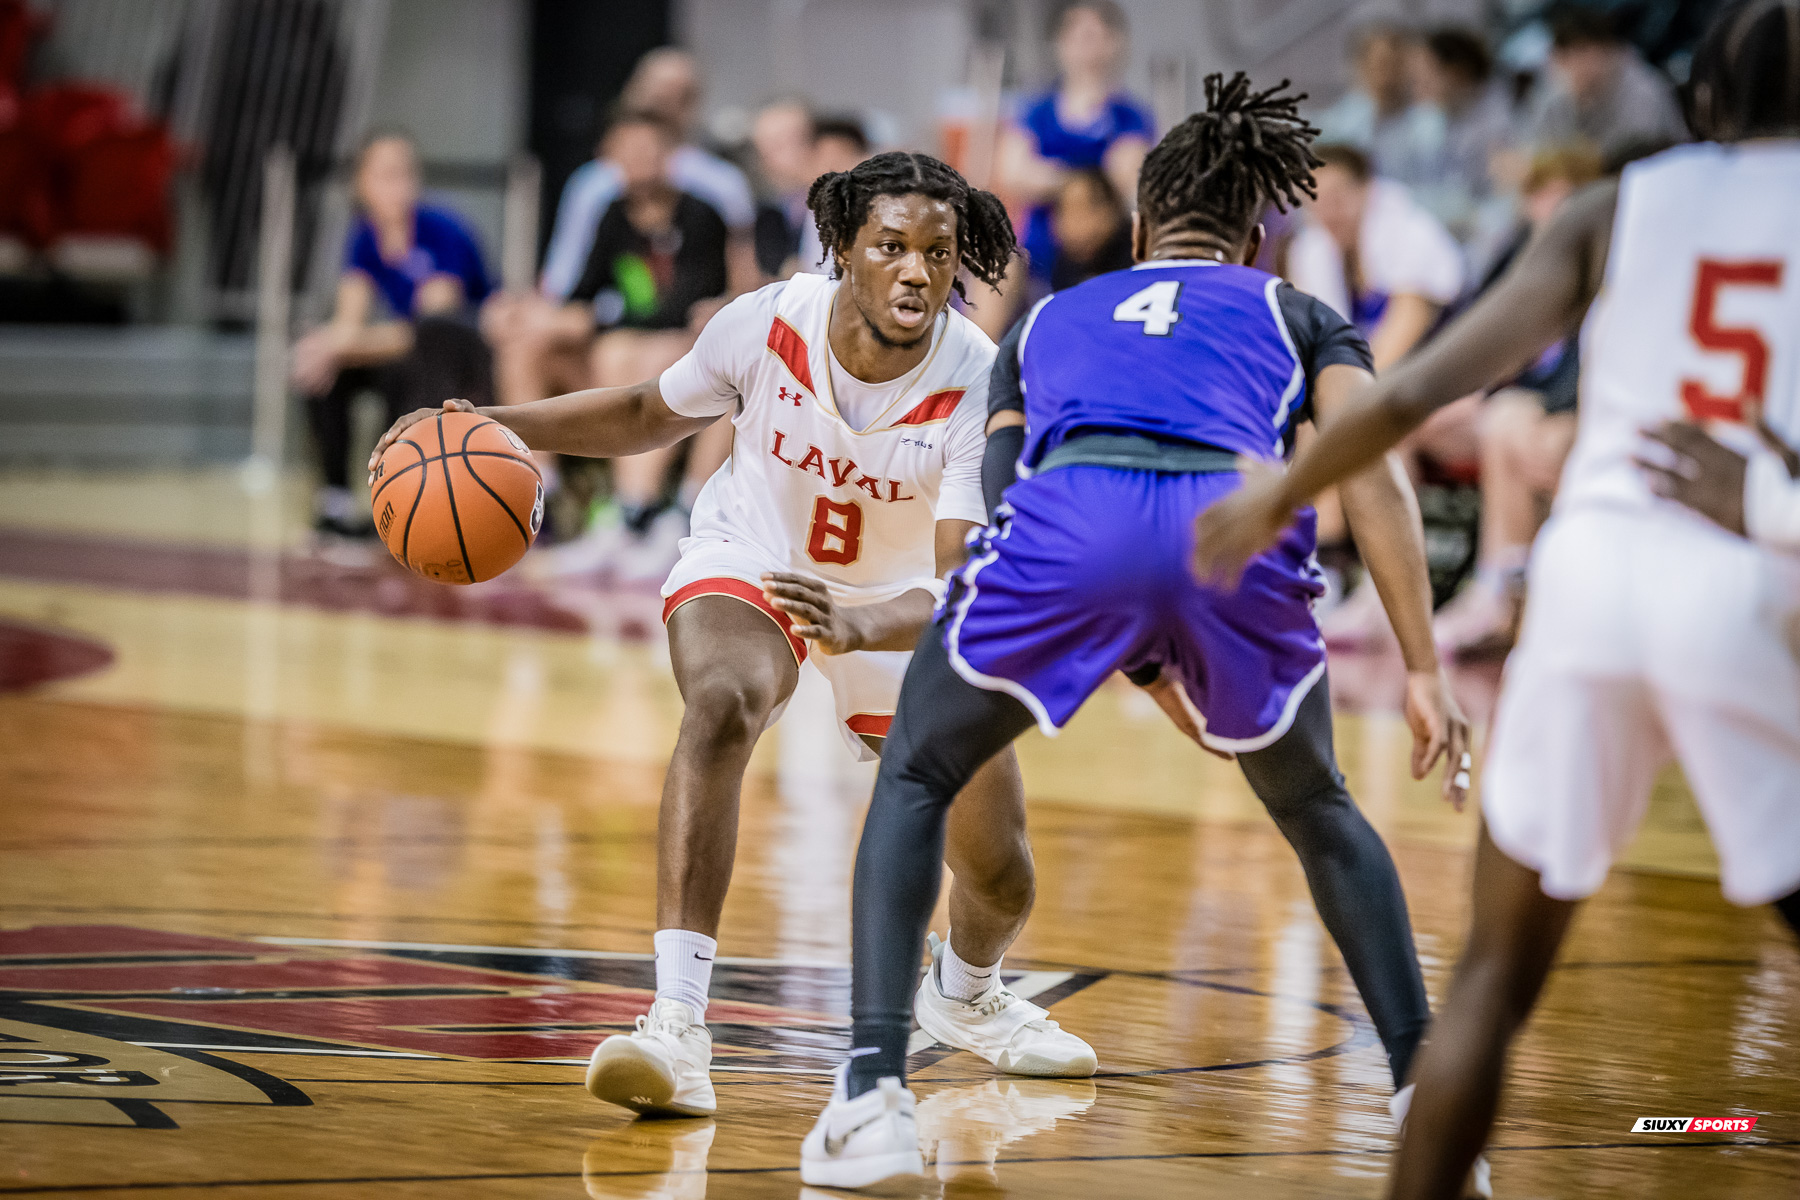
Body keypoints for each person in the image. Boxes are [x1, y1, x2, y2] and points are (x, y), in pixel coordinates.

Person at [800, 74, 1475, 1191]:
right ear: (1258, 235)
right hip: (1232, 532)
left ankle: (871, 1095)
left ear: (1144, 227)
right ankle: (1429, 1109)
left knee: (917, 772)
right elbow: (1378, 474)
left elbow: (1009, 497)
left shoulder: (1049, 317)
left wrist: (1104, 633)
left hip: (1074, 525)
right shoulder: (1295, 312)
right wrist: (1421, 665)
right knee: (1319, 809)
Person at [1193, 5, 1800, 1196]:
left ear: (1706, 102)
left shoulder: (1623, 202)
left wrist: (1281, 497)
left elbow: (1419, 383)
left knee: (1489, 982)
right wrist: (1773, 504)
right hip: (1740, 580)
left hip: (1587, 580)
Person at [370, 151, 1097, 1122]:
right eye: (892, 247)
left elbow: (968, 582)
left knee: (999, 871)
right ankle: (675, 1025)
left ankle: (964, 994)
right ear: (842, 248)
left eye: (938, 251)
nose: (918, 271)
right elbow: (642, 412)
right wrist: (489, 425)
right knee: (722, 705)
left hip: (902, 600)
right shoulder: (765, 323)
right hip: (754, 553)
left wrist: (860, 620)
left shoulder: (975, 379)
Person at [1283, 142, 1464, 633]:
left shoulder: (1412, 238)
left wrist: (1337, 402)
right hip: (1386, 394)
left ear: (1369, 192)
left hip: (1455, 390)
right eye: (1317, 197)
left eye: (1341, 194)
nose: (1329, 209)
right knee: (1308, 418)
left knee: (1361, 426)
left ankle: (1360, 577)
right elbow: (1319, 352)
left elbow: (1399, 343)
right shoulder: (1312, 251)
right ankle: (1328, 565)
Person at [1430, 145, 1602, 656]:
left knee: (1507, 426)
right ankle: (1383, 594)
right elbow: (1479, 337)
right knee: (1417, 425)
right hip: (1525, 403)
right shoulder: (1517, 252)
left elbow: (1582, 375)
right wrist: (1468, 390)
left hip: (1570, 413)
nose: (1547, 206)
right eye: (1539, 194)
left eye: (1560, 194)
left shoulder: (1602, 264)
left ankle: (1501, 593)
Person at [291, 131, 493, 537]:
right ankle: (335, 500)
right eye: (384, 174)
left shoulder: (442, 230)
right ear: (361, 184)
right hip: (411, 349)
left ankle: (401, 498)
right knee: (324, 369)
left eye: (404, 173)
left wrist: (340, 345)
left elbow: (430, 328)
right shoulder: (365, 237)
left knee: (411, 367)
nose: (397, 184)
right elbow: (350, 322)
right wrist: (326, 347)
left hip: (466, 358)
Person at [537, 47, 757, 302]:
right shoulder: (595, 188)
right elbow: (568, 268)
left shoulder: (720, 186)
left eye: (679, 94)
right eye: (654, 91)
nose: (661, 102)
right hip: (612, 314)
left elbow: (742, 267)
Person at [990, 1, 1153, 327]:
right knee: (996, 268)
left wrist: (1051, 176)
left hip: (1107, 247)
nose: (1086, 47)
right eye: (1077, 36)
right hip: (1039, 247)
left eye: (1094, 35)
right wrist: (1084, 180)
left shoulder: (1130, 115)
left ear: (1114, 42)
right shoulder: (1036, 111)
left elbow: (1124, 177)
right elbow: (1011, 173)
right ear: (1060, 43)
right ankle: (977, 369)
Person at [1520, 4, 1687, 159]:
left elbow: (1641, 154)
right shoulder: (1556, 91)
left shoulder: (1642, 89)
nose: (1578, 64)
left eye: (1584, 51)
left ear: (1607, 49)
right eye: (1568, 56)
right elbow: (1534, 155)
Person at [1403, 26, 1517, 247]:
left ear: (1456, 72)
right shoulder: (1429, 120)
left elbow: (1505, 199)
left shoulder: (1498, 123)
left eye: (1426, 73)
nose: (1418, 84)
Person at [1314, 20, 1422, 182]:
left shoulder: (1428, 123)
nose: (1389, 74)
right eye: (1382, 64)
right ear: (1362, 65)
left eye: (1397, 64)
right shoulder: (1336, 125)